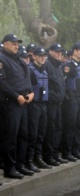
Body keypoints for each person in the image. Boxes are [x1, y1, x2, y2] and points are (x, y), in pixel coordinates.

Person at [0, 34, 34, 179]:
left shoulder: (20, 61)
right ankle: (10, 168)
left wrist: (31, 92)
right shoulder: (2, 59)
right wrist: (16, 96)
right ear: (5, 44)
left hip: (24, 101)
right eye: (13, 43)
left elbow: (27, 79)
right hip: (11, 103)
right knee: (10, 137)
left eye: (17, 43)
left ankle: (20, 165)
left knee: (23, 135)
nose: (16, 46)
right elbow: (2, 82)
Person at [26, 47, 54, 172]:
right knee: (33, 133)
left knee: (41, 133)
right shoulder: (30, 70)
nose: (43, 58)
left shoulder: (44, 70)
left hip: (44, 104)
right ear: (34, 56)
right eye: (40, 55)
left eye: (45, 56)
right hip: (34, 105)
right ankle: (29, 160)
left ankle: (38, 157)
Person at [42, 43, 68, 165]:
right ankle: (48, 156)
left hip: (59, 103)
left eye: (60, 52)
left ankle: (55, 153)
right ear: (50, 52)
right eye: (57, 51)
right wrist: (53, 97)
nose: (59, 54)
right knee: (50, 130)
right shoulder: (47, 64)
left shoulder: (59, 65)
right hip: (51, 103)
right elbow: (45, 85)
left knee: (58, 129)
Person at [61, 42, 80, 162]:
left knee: (79, 125)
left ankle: (76, 150)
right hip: (71, 98)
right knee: (70, 126)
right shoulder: (68, 65)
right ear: (75, 51)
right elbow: (63, 81)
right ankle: (67, 152)